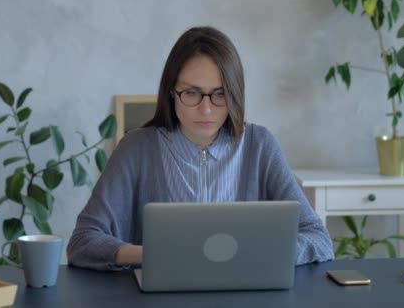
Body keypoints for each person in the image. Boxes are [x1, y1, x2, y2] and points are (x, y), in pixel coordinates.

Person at [67, 26, 334, 271]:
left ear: (235, 94)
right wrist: (151, 254)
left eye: (219, 94)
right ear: (172, 92)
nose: (206, 109)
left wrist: (262, 254)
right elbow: (82, 242)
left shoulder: (259, 145)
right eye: (192, 93)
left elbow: (318, 239)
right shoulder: (136, 149)